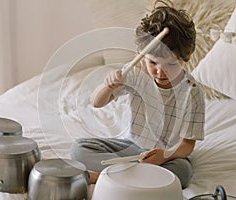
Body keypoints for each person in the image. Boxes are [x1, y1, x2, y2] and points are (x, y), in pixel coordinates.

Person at [70, 0, 205, 189]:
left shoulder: (192, 92)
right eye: (153, 63)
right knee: (79, 149)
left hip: (166, 156)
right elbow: (96, 103)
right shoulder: (135, 73)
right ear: (142, 55)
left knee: (182, 172)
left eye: (171, 64)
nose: (160, 72)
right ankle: (136, 175)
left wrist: (164, 156)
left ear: (186, 58)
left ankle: (103, 177)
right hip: (130, 148)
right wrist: (107, 86)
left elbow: (187, 145)